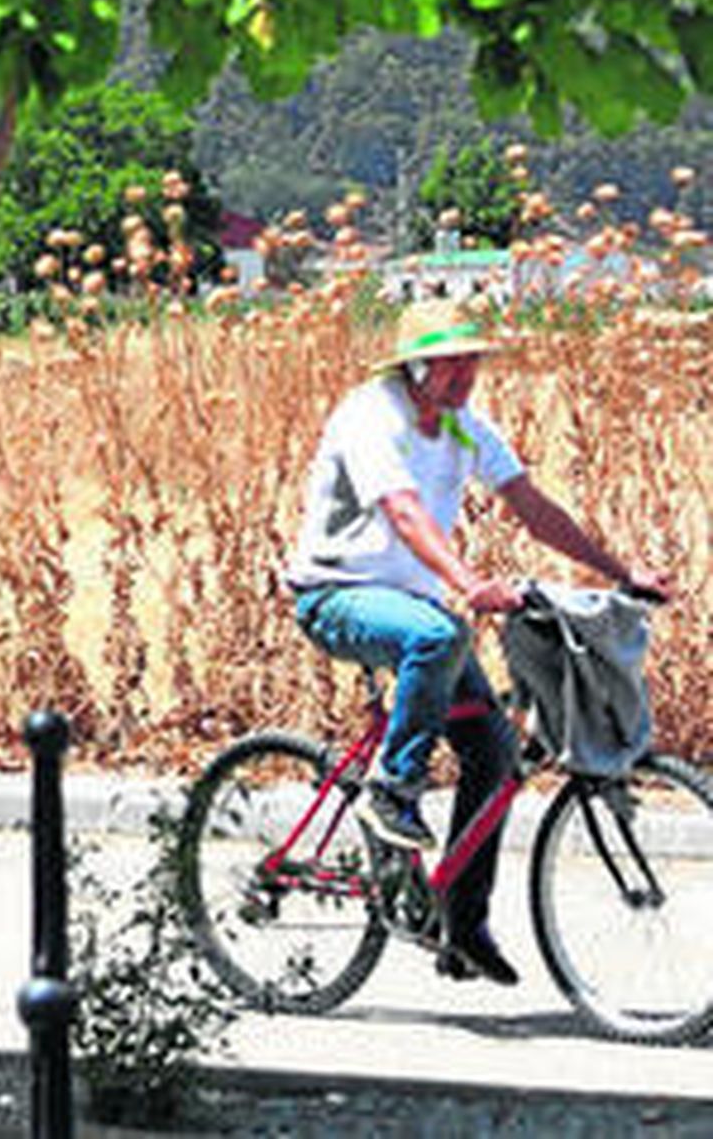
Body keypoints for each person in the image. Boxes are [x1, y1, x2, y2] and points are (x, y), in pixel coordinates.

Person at [284, 299, 670, 986]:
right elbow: (402, 511)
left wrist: (622, 573)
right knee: (440, 633)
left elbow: (531, 505)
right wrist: (467, 582)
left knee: (493, 752)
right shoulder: (373, 417)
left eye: (474, 359)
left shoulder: (464, 428)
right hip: (334, 596)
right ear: (417, 365)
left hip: (414, 607)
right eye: (453, 360)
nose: (467, 373)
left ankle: (462, 924)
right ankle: (393, 789)